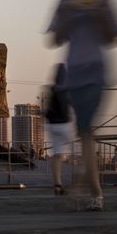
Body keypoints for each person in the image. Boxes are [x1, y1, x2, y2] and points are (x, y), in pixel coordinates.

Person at [47, 0, 117, 211]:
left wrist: (99, 14)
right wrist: (69, 13)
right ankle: (93, 191)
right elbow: (54, 39)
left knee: (88, 130)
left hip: (97, 71)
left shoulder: (104, 1)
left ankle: (89, 189)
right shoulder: (64, 3)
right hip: (75, 75)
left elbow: (115, 37)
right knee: (85, 133)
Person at [44, 64, 73, 196]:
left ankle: (58, 184)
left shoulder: (49, 89)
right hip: (64, 125)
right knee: (81, 146)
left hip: (51, 125)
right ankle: (85, 182)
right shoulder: (67, 88)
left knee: (57, 155)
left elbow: (42, 108)